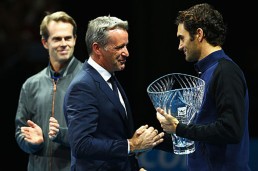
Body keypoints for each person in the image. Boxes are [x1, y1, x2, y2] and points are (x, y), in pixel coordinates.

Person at [155, 3, 251, 171]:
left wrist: (180, 128)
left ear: (199, 34)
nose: (179, 46)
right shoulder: (206, 73)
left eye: (181, 38)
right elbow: (198, 139)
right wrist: (154, 140)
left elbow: (231, 129)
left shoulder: (225, 71)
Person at [63, 16, 164, 171]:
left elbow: (112, 134)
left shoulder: (109, 78)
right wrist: (131, 145)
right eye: (119, 47)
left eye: (126, 46)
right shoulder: (83, 86)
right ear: (97, 48)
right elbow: (81, 145)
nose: (127, 53)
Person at [15, 11, 83, 171]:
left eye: (68, 38)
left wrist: (62, 135)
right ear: (45, 42)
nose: (64, 43)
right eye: (57, 39)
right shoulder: (31, 84)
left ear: (75, 39)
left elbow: (99, 134)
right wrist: (31, 143)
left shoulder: (89, 81)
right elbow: (20, 129)